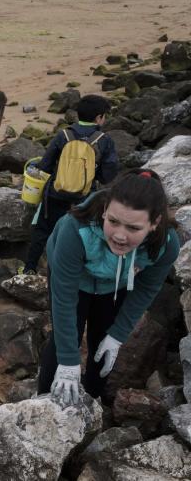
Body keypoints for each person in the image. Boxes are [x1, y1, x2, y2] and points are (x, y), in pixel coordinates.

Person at [37, 169, 180, 404]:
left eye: (133, 228)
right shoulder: (74, 229)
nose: (120, 236)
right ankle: (43, 397)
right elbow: (64, 298)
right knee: (64, 338)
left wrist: (118, 335)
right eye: (113, 222)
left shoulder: (166, 244)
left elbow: (146, 289)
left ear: (155, 223)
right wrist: (69, 362)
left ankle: (92, 399)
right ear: (105, 210)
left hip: (115, 283)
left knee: (103, 340)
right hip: (75, 279)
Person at [23, 95, 117, 274]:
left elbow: (45, 165)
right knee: (81, 234)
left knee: (42, 231)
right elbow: (107, 175)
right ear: (99, 118)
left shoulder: (63, 135)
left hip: (55, 194)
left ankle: (29, 269)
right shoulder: (104, 140)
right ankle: (74, 272)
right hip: (85, 198)